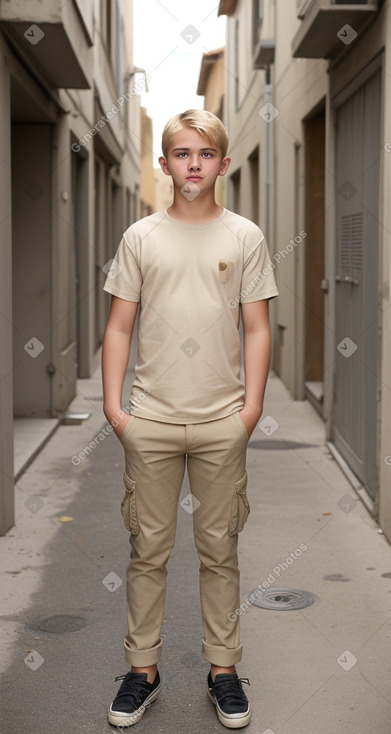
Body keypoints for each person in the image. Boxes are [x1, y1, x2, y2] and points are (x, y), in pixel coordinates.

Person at [101, 109, 278, 729]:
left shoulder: (245, 237)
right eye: (181, 154)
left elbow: (256, 328)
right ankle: (141, 671)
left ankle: (223, 671)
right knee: (147, 549)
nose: (193, 165)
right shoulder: (141, 237)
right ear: (165, 163)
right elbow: (119, 325)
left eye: (205, 155)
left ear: (223, 164)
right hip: (149, 419)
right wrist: (115, 409)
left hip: (221, 421)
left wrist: (250, 409)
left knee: (218, 549)